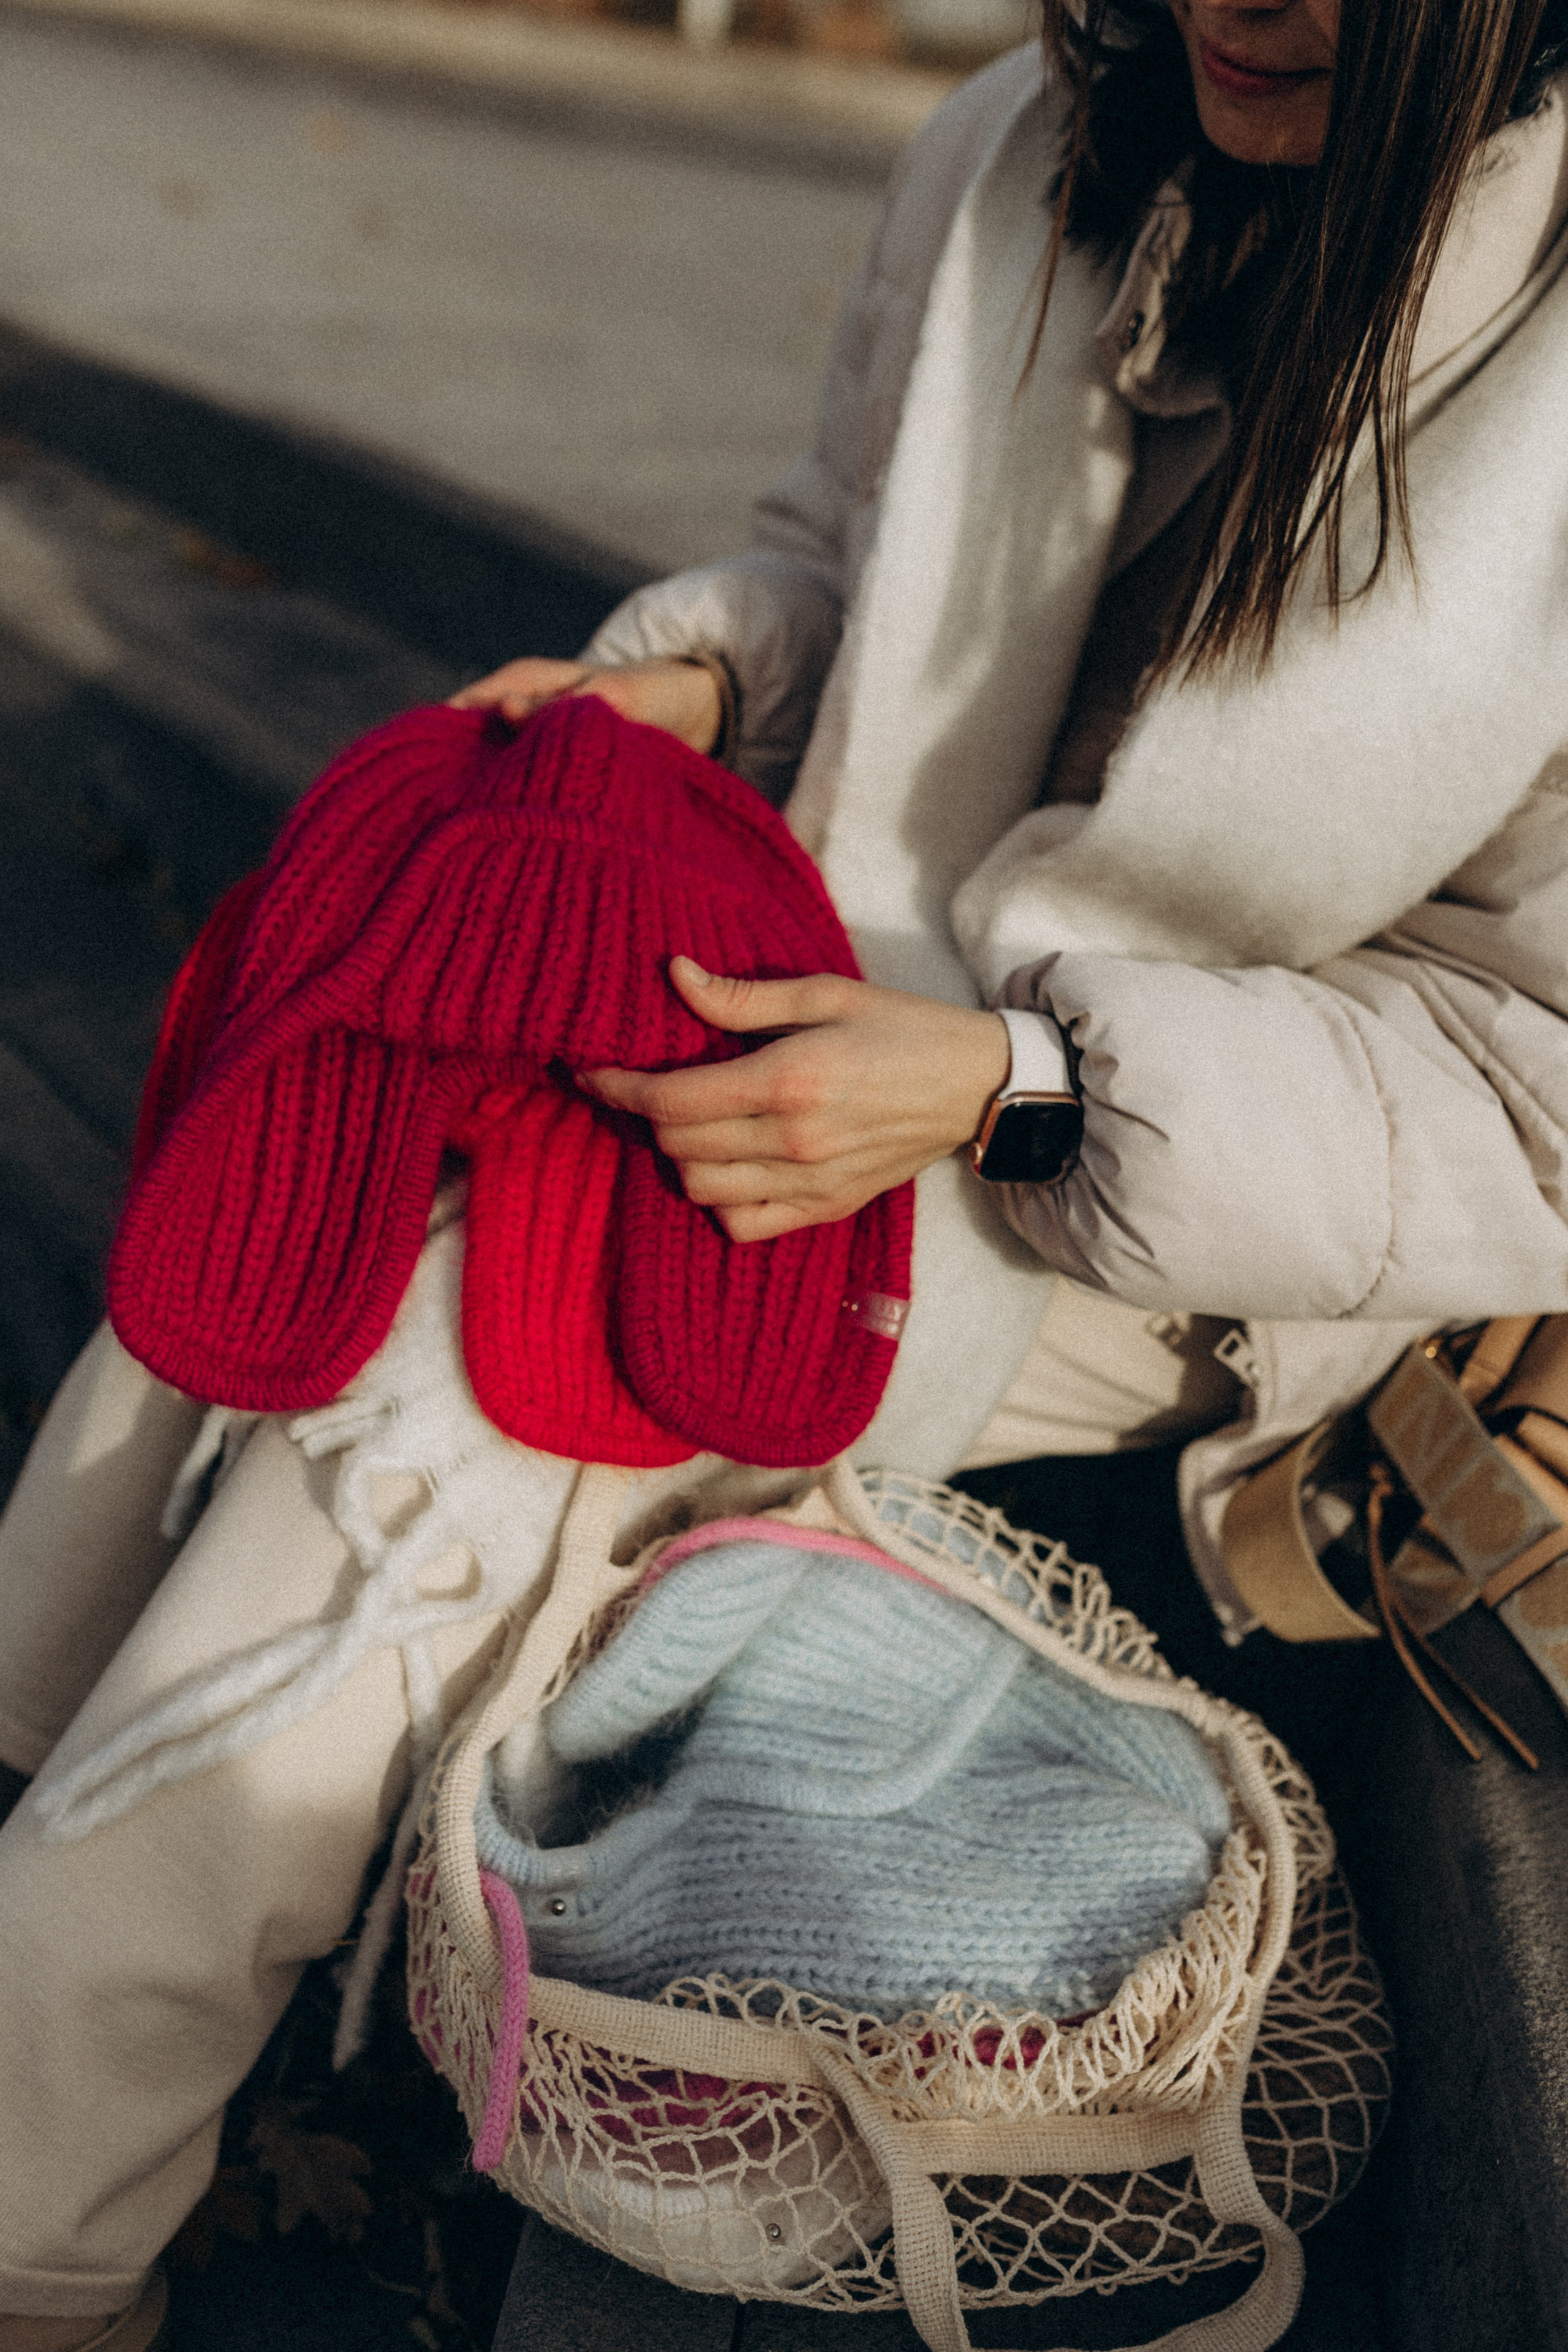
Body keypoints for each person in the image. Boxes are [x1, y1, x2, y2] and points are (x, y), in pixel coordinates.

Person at [5, 0, 1568, 2335]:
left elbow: (1532, 1088)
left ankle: (45, 2207)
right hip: (823, 1003)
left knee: (454, 1344)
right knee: (357, 1097)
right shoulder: (1028, 150)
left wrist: (1011, 1084)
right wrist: (699, 688)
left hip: (1183, 1215)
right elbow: (837, 564)